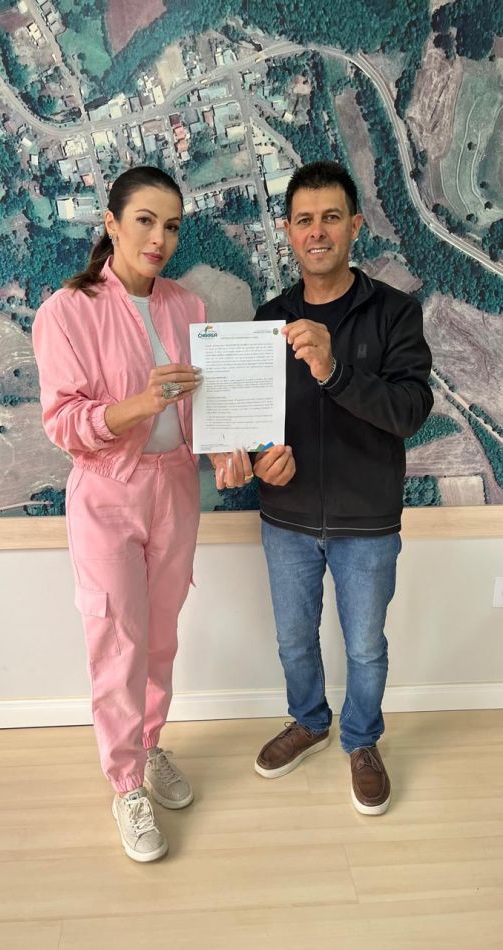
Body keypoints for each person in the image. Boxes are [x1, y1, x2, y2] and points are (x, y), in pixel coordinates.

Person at [215, 160, 433, 815]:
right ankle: (309, 721)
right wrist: (260, 458)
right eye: (304, 219)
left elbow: (410, 411)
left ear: (354, 225)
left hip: (368, 522)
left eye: (331, 217)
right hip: (285, 518)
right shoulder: (269, 317)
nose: (318, 231)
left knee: (365, 647)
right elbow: (253, 423)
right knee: (293, 640)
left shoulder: (395, 313)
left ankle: (362, 741)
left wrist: (334, 370)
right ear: (288, 230)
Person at [32, 166, 207, 862]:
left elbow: (208, 404)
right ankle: (126, 783)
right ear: (110, 223)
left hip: (177, 491)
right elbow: (63, 424)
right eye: (145, 221)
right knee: (117, 640)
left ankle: (151, 744)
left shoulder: (189, 307)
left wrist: (227, 449)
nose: (159, 238)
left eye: (172, 226)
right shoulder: (66, 311)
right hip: (106, 495)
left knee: (160, 638)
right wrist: (142, 403)